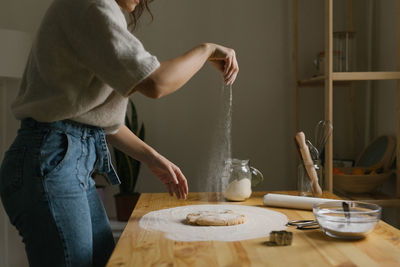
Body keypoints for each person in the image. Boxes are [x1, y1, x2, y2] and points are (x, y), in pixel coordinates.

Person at [0, 0, 239, 266]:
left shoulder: (97, 11)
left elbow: (95, 121)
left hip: (60, 163)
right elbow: (157, 83)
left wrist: (152, 158)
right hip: (50, 162)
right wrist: (205, 50)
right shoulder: (93, 5)